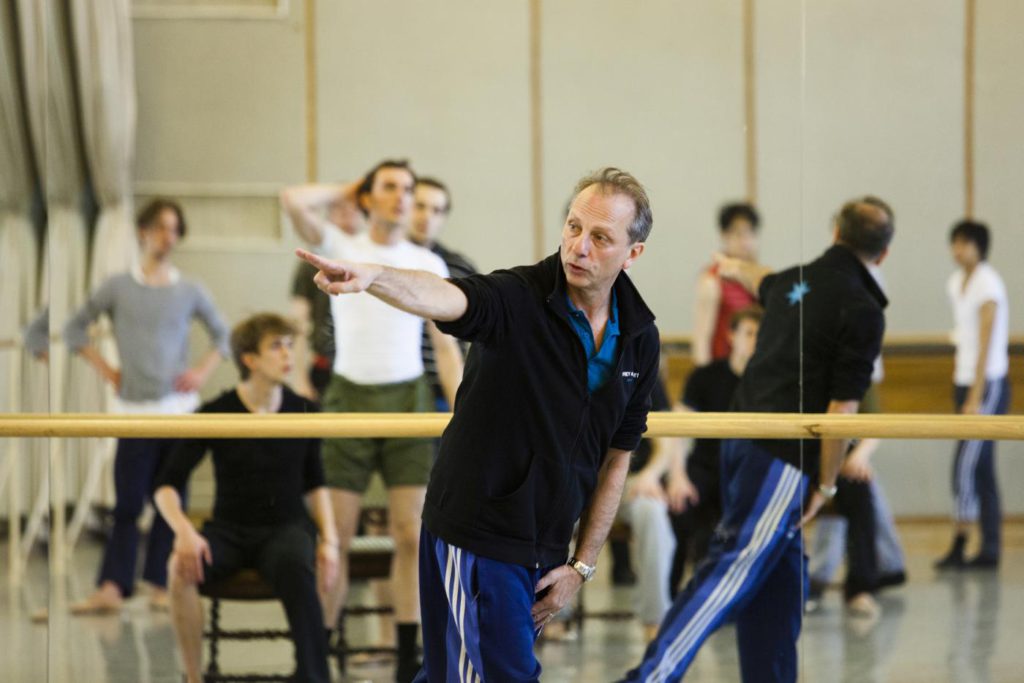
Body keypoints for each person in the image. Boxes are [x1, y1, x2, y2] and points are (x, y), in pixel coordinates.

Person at [298, 166, 660, 682]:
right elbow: (447, 296)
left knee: (456, 672)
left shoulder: (640, 338)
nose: (579, 246)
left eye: (600, 237)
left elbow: (616, 458)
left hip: (545, 546)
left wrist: (581, 565)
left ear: (633, 254)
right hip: (478, 535)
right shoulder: (519, 297)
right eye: (573, 227)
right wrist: (376, 277)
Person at [624, 196, 894, 683]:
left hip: (743, 442)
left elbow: (760, 278)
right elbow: (842, 412)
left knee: (780, 577)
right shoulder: (862, 309)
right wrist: (828, 485)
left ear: (835, 233)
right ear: (884, 254)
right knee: (732, 568)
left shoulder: (795, 282)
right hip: (780, 454)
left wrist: (732, 266)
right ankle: (650, 676)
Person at [282, 160, 464, 681]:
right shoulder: (341, 241)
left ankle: (410, 659)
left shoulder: (425, 258)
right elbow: (293, 198)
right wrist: (352, 188)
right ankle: (314, 661)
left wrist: (460, 410)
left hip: (407, 399)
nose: (403, 198)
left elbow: (445, 347)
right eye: (390, 188)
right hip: (349, 397)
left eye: (408, 189)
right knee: (334, 535)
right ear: (368, 195)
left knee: (411, 534)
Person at [64, 198, 229, 614]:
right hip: (134, 412)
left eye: (174, 229)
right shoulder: (117, 287)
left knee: (170, 501)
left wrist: (201, 373)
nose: (167, 237)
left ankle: (160, 581)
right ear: (143, 232)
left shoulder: (189, 290)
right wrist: (106, 369)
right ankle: (113, 586)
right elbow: (74, 328)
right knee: (127, 504)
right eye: (160, 227)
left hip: (178, 411)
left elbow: (223, 336)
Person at [154, 313, 339, 683]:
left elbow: (315, 482)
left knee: (298, 564)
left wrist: (330, 540)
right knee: (179, 568)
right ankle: (193, 677)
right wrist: (184, 532)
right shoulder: (216, 412)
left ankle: (313, 677)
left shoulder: (303, 409)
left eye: (289, 345)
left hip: (285, 529)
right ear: (249, 359)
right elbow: (167, 485)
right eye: (276, 346)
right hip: (229, 531)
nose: (287, 355)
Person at [669, 306, 761, 595]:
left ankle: (730, 593)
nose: (755, 340)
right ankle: (668, 596)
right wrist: (677, 475)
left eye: (761, 335)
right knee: (678, 509)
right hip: (705, 467)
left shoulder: (770, 383)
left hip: (748, 471)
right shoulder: (705, 376)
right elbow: (677, 428)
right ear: (732, 336)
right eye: (748, 333)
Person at [935, 219, 1010, 570]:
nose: (958, 250)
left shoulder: (987, 283)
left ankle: (962, 540)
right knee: (981, 469)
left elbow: (986, 341)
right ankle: (989, 547)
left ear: (979, 247)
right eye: (955, 243)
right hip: (963, 379)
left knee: (964, 467)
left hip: (987, 382)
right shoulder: (956, 282)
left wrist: (976, 396)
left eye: (964, 244)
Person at [615, 376, 686, 643]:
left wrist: (652, 475)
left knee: (653, 514)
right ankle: (553, 616)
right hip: (582, 479)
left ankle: (655, 619)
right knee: (550, 516)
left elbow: (666, 439)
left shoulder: (644, 371)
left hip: (632, 481)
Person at [408, 176, 478, 411]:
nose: (427, 216)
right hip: (395, 381)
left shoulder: (459, 268)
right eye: (420, 206)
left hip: (443, 382)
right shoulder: (383, 263)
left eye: (436, 210)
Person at [288, 188, 364, 400]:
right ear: (327, 215)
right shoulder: (311, 263)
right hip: (326, 367)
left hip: (367, 368)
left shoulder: (374, 259)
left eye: (355, 208)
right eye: (339, 207)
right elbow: (298, 323)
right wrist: (299, 377)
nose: (348, 213)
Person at [691, 202, 760, 366]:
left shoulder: (756, 278)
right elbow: (701, 339)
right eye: (738, 234)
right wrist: (705, 377)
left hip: (751, 367)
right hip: (722, 367)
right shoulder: (712, 280)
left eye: (750, 233)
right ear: (724, 235)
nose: (745, 241)